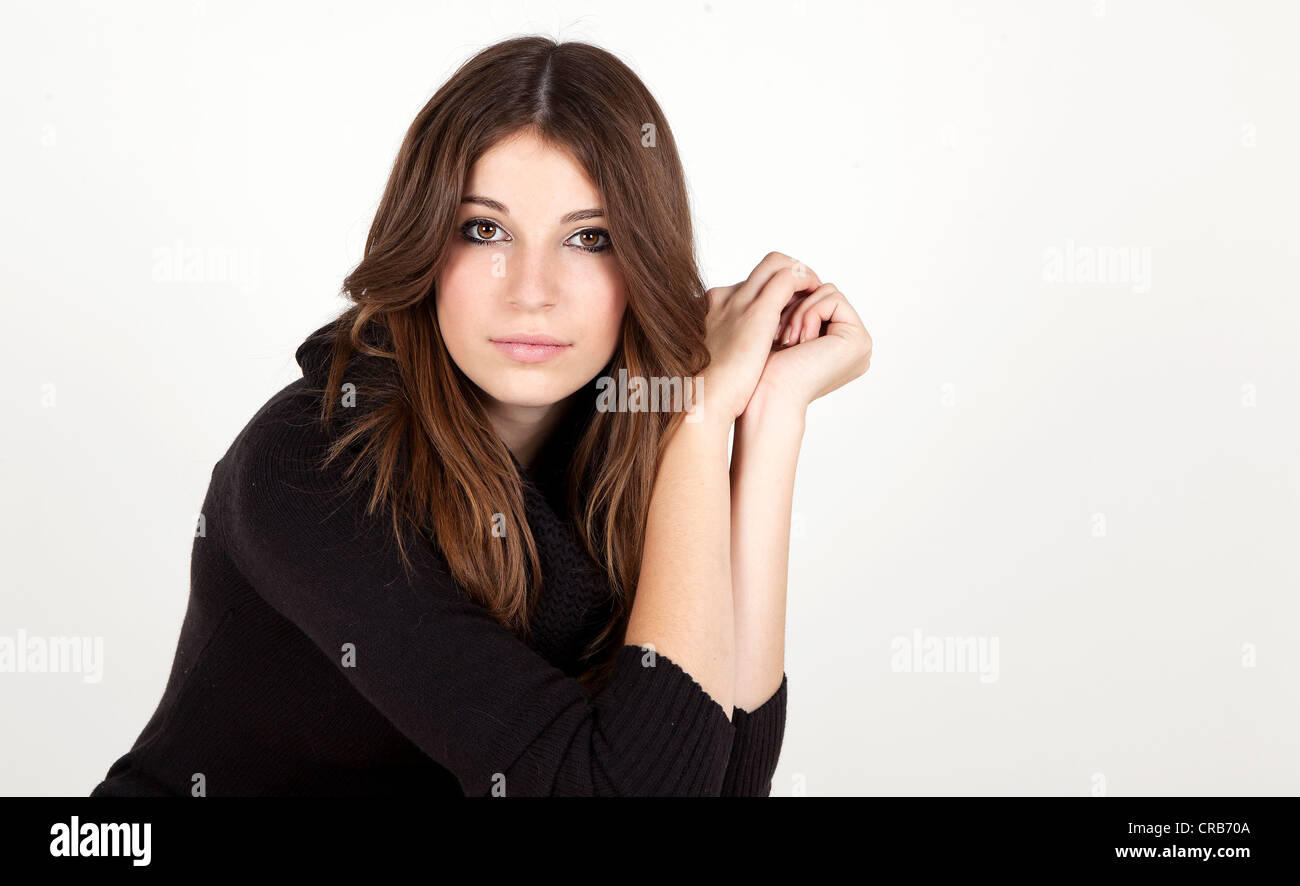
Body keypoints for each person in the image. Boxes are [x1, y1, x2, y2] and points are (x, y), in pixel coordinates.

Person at [89, 35, 871, 797]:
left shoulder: (626, 446)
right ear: (427, 246)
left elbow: (723, 781)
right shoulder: (312, 461)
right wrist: (700, 419)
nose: (532, 290)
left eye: (589, 238)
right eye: (485, 229)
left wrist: (766, 417)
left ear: (641, 267)